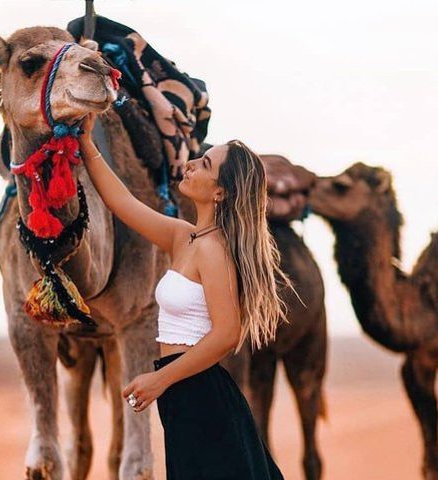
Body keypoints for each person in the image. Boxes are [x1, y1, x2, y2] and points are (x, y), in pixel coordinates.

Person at [79, 112, 292, 479]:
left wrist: (159, 380)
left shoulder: (215, 251)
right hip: (184, 393)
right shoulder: (186, 237)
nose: (191, 163)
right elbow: (122, 203)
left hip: (202, 396)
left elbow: (227, 334)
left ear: (220, 192)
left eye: (205, 164)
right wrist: (86, 143)